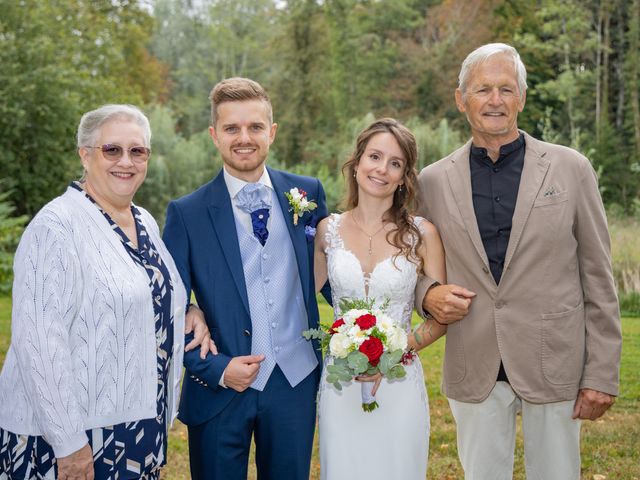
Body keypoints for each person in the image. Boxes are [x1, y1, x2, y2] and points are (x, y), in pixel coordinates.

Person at [414, 43, 622, 479]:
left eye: (506, 89)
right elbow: (413, 267)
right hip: (475, 359)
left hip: (556, 360)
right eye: (483, 89)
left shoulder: (571, 169)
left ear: (521, 98)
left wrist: (602, 372)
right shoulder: (431, 181)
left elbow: (599, 277)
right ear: (460, 98)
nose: (495, 100)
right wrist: (428, 294)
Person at [0, 104, 213, 479]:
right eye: (112, 150)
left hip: (138, 425)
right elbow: (39, 342)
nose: (126, 161)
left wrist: (187, 309)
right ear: (85, 154)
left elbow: (147, 292)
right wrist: (68, 444)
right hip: (74, 436)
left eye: (138, 151)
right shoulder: (56, 227)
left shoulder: (143, 219)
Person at [162, 77, 328, 480]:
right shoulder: (187, 213)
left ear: (271, 133)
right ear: (214, 135)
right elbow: (167, 308)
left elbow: (332, 275)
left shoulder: (307, 194)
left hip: (294, 379)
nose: (244, 138)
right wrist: (217, 368)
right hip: (222, 385)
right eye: (231, 128)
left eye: (254, 126)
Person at [314, 118, 447, 479]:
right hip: (340, 381)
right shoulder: (328, 231)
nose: (382, 170)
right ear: (356, 163)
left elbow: (440, 317)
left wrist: (396, 352)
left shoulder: (423, 234)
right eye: (375, 156)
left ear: (404, 177)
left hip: (399, 380)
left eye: (395, 163)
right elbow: (297, 299)